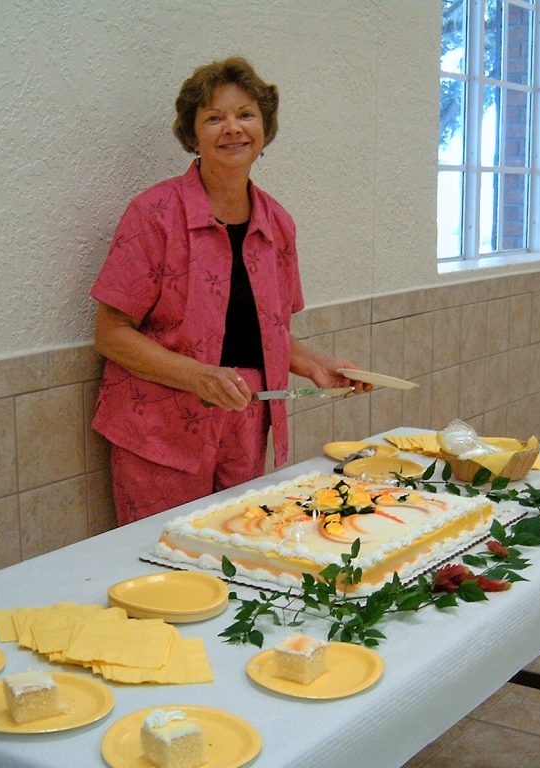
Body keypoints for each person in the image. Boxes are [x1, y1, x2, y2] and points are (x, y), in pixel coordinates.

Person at [90, 56, 370, 525]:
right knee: (160, 555)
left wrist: (317, 366)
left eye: (245, 115)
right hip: (159, 428)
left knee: (234, 548)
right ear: (192, 133)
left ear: (264, 128)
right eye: (214, 117)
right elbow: (111, 333)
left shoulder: (277, 224)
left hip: (246, 420)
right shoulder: (154, 213)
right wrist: (198, 376)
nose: (232, 128)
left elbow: (266, 334)